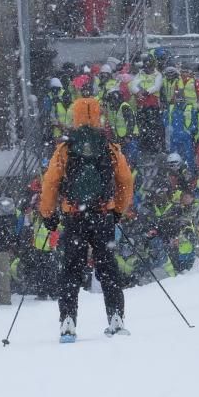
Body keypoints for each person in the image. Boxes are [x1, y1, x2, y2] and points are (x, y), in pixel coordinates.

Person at [39, 96, 134, 342]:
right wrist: (117, 210)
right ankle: (115, 317)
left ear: (76, 117)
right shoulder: (109, 147)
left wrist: (48, 215)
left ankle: (68, 321)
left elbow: (50, 183)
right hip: (102, 215)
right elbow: (125, 181)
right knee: (108, 268)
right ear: (99, 116)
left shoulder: (65, 149)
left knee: (71, 270)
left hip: (74, 217)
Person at [131, 54, 164, 153]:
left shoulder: (157, 75)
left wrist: (146, 92)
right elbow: (133, 85)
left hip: (153, 105)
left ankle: (154, 148)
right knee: (142, 126)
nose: (148, 68)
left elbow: (156, 86)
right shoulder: (140, 74)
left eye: (150, 65)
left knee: (153, 127)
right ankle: (144, 148)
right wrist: (138, 92)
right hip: (141, 105)